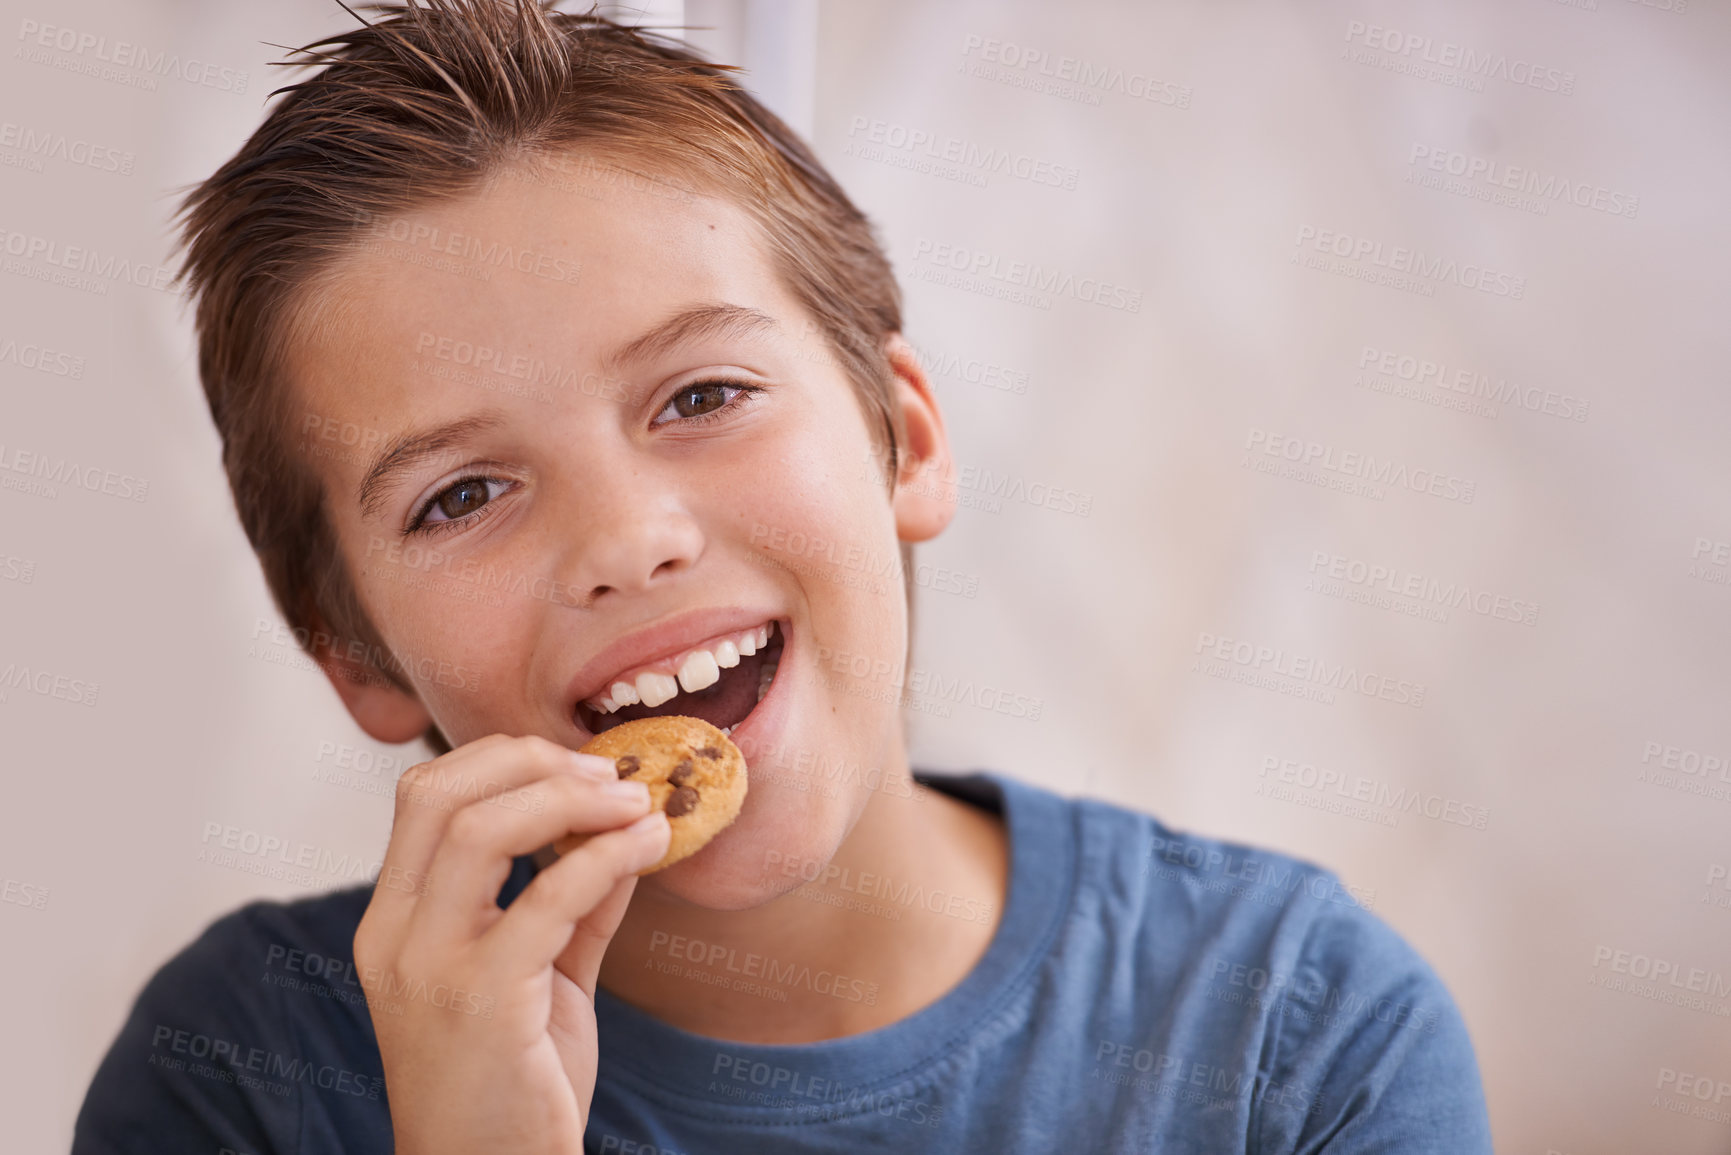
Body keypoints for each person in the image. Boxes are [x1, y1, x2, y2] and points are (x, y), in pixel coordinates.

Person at [73, 3, 1493, 1151]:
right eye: (463, 494)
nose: (629, 541)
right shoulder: (243, 1080)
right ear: (356, 656)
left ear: (905, 441)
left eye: (700, 396)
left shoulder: (1292, 1037)